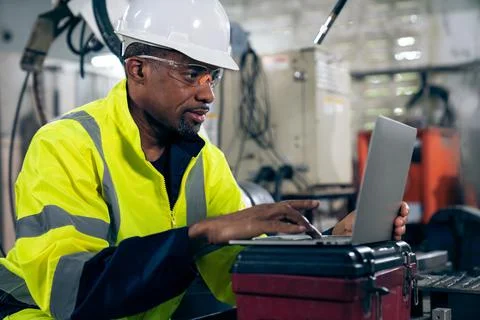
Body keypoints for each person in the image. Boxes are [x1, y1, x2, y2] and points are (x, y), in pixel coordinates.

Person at [0, 0, 409, 319]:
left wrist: (333, 244)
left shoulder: (203, 159)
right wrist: (202, 233)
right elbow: (72, 292)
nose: (208, 93)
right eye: (192, 72)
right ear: (137, 69)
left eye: (212, 76)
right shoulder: (66, 144)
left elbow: (234, 272)